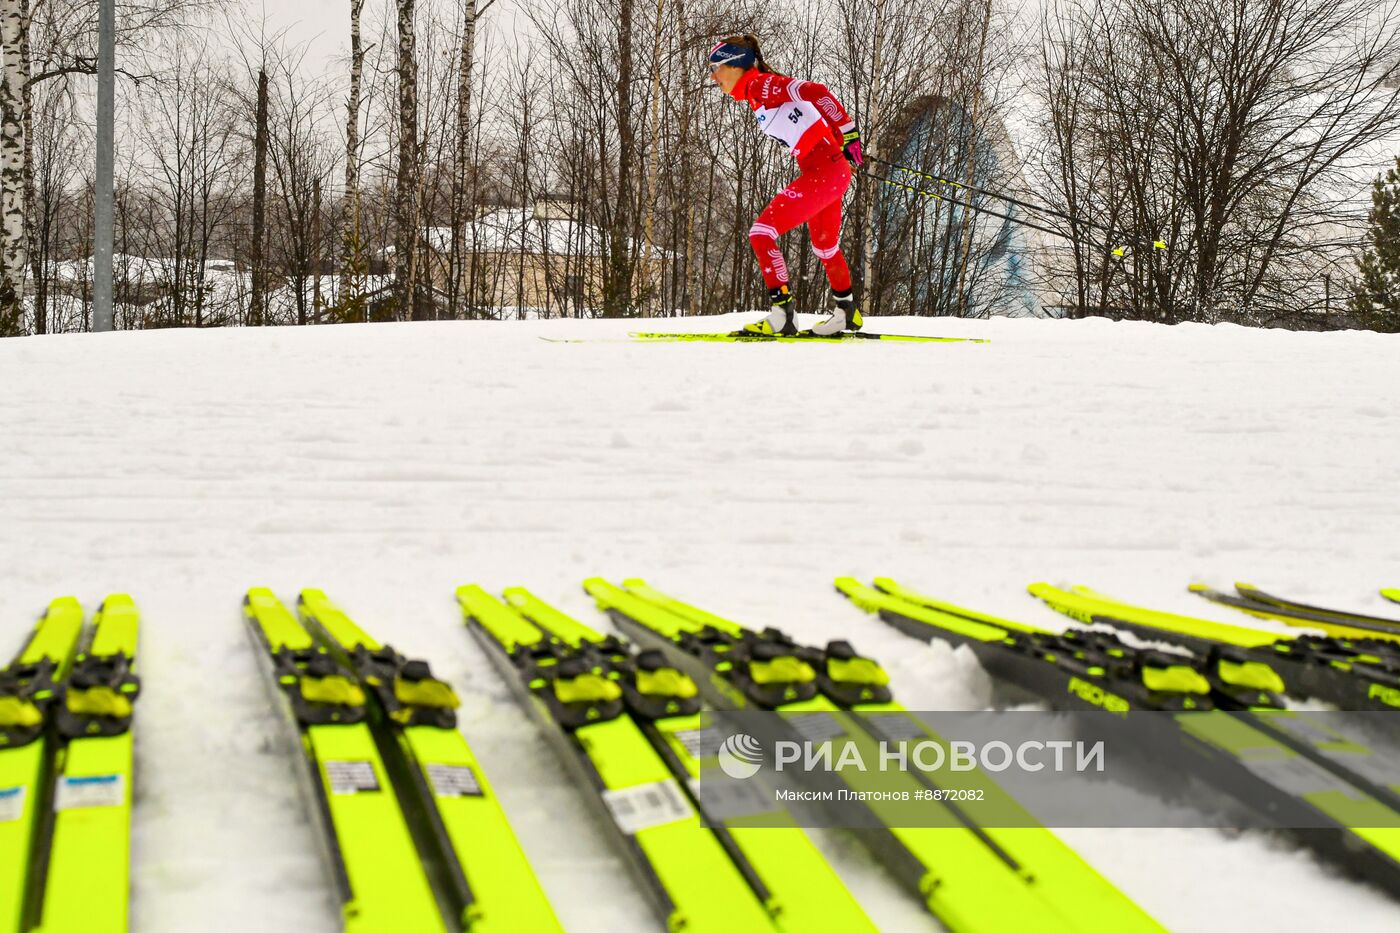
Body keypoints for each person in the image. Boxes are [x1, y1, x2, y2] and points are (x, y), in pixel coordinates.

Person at [708, 34, 864, 337]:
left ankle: (783, 314)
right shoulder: (755, 93)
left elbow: (815, 91)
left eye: (716, 67)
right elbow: (809, 115)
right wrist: (840, 140)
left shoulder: (759, 84)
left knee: (761, 233)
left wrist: (848, 132)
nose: (714, 77)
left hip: (825, 171)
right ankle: (845, 312)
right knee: (824, 245)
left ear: (735, 64)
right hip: (829, 169)